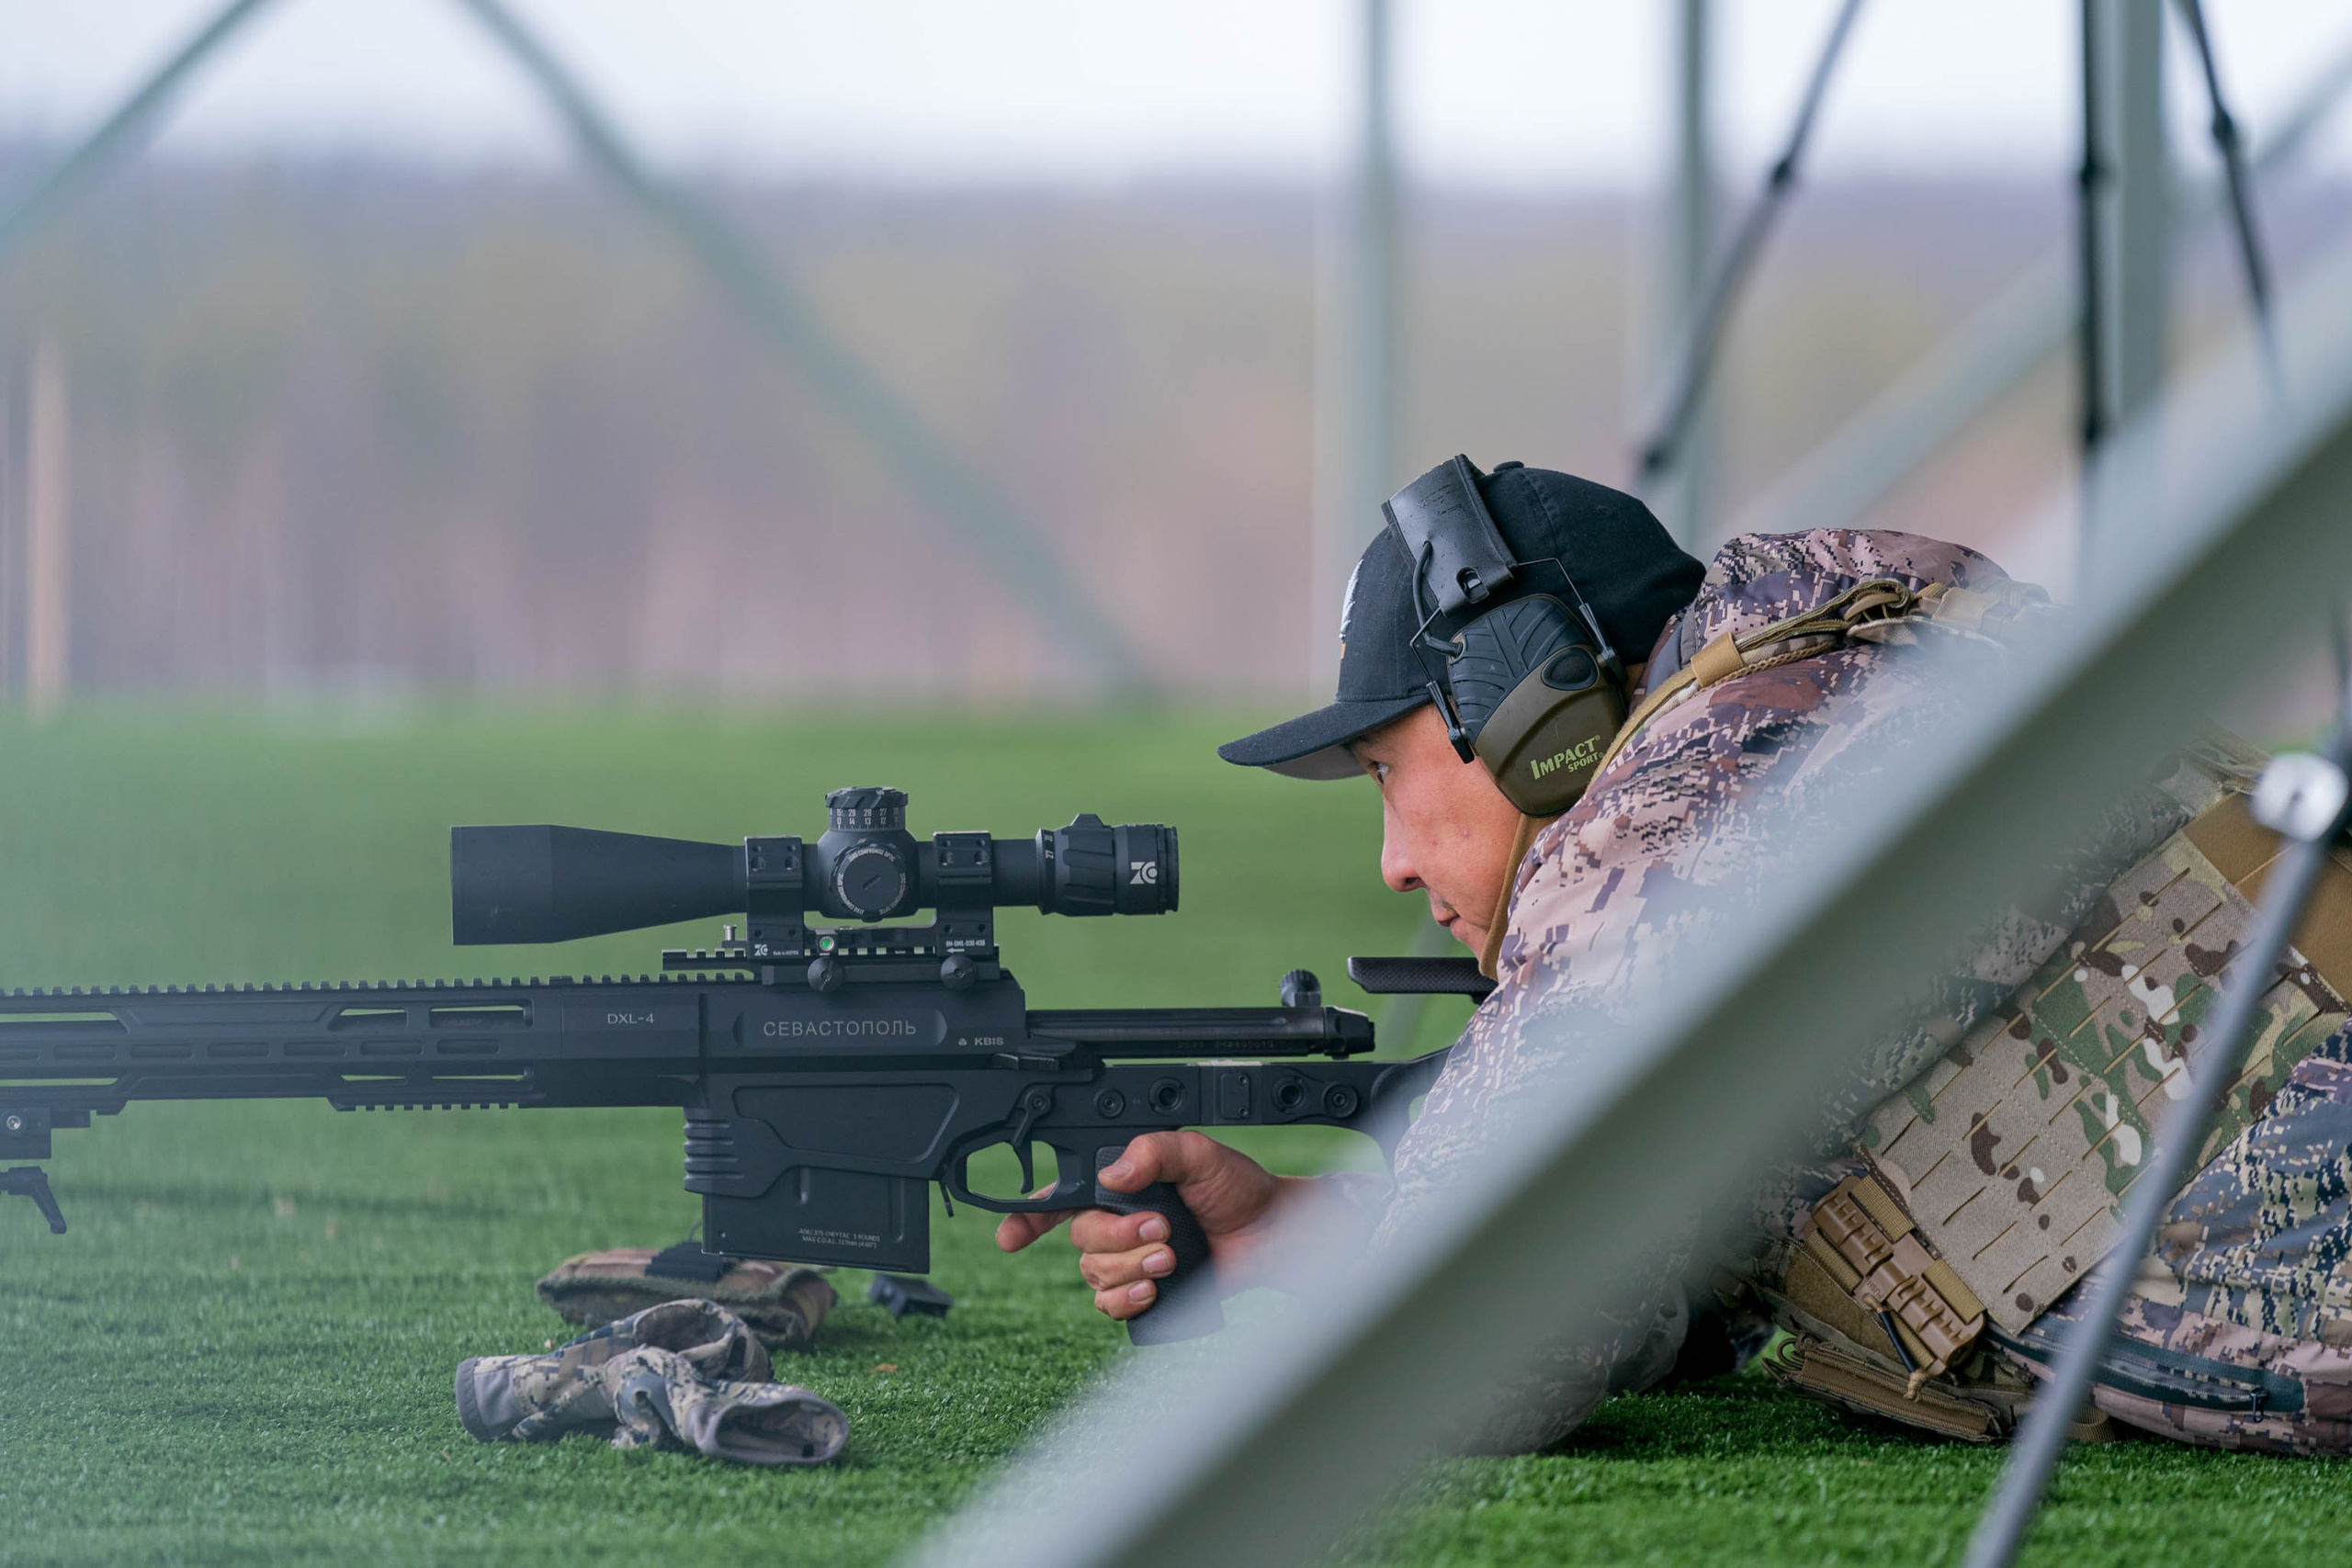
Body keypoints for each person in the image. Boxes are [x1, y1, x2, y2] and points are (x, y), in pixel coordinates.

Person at [997, 456, 2352, 1454]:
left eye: (1387, 774)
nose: (1394, 861)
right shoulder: (1822, 689)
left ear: (1539, 714)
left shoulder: (1682, 819)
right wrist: (1320, 1234)